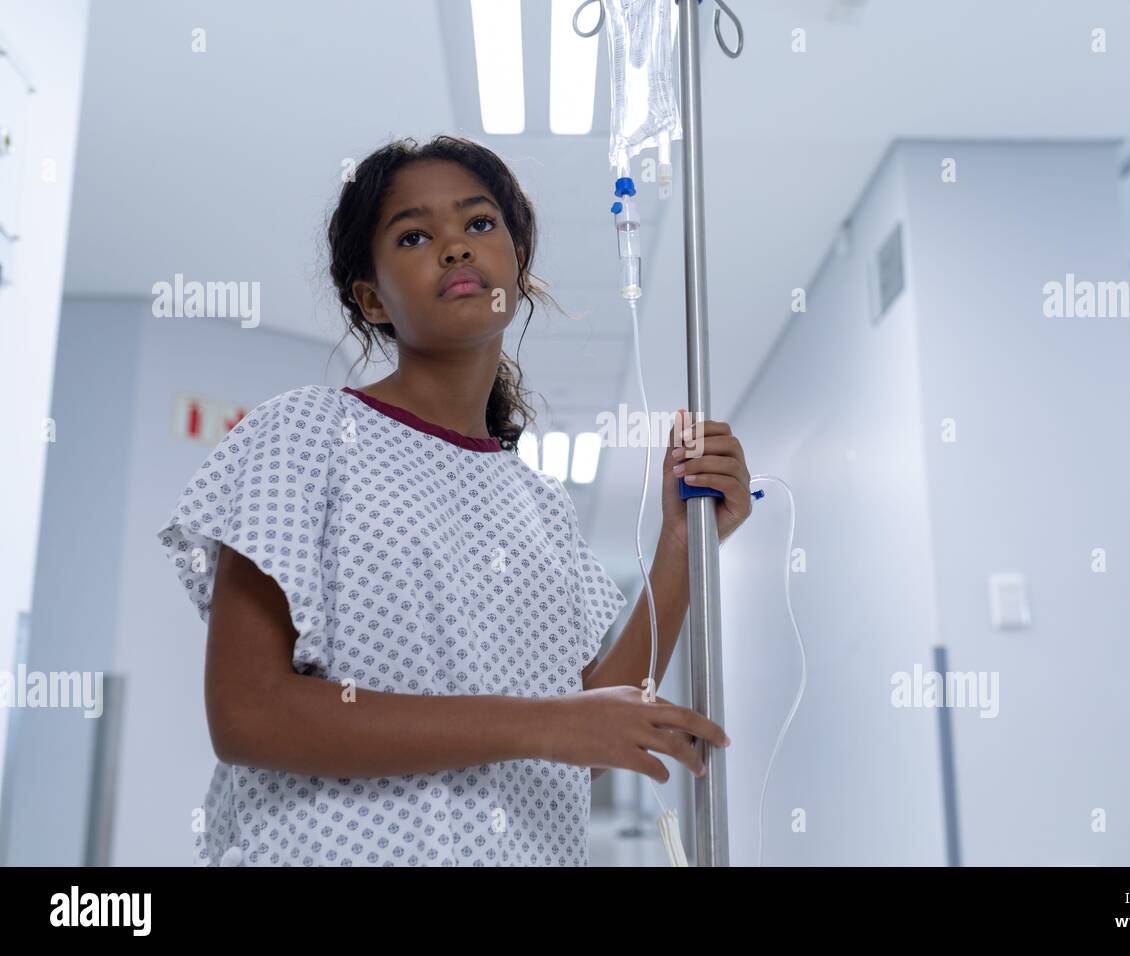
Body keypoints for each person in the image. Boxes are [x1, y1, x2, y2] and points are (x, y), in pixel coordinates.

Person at [157, 135, 753, 866]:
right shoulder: (304, 435)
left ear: (517, 266)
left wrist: (682, 550)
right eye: (414, 235)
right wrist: (542, 726)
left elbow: (582, 736)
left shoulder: (541, 508)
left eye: (479, 224)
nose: (455, 248)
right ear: (371, 297)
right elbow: (249, 714)